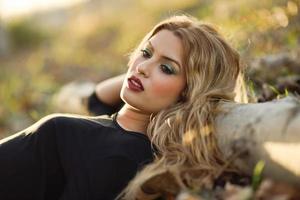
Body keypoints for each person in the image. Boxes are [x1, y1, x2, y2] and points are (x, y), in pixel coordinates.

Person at [0, 15, 248, 200]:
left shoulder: (120, 157)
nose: (141, 67)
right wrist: (154, 72)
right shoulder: (113, 128)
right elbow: (96, 98)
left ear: (189, 93)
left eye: (167, 68)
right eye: (146, 52)